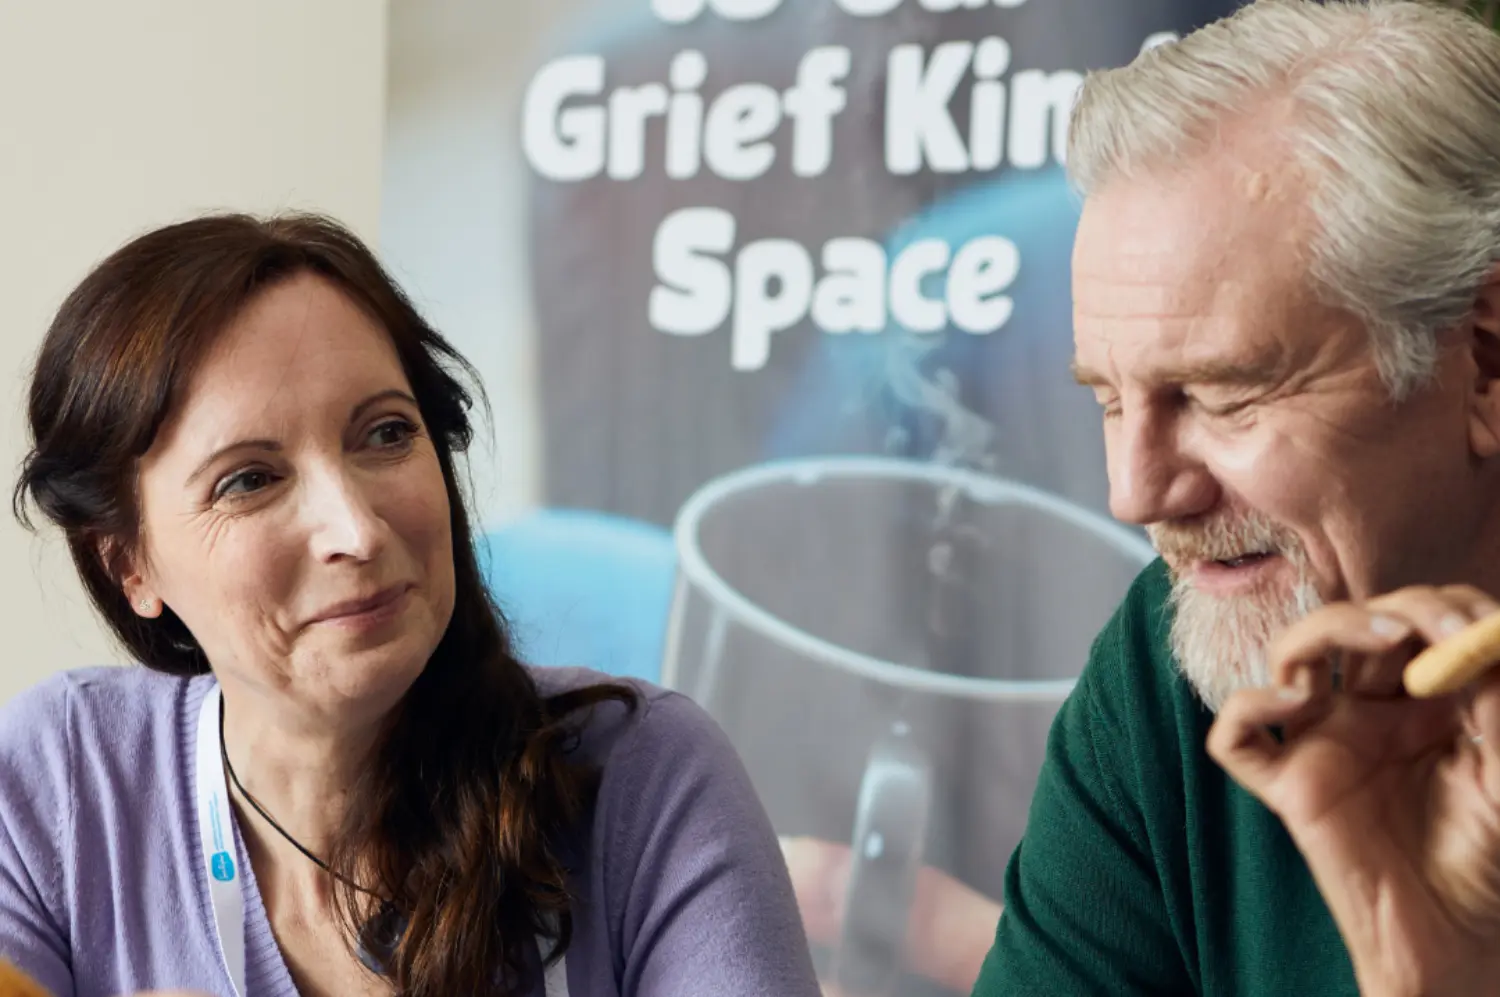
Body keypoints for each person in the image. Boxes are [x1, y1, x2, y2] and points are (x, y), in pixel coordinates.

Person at [0, 213, 823, 997]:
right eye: (249, 479)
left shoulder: (643, 777)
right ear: (129, 566)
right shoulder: (65, 783)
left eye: (387, 434)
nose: (355, 529)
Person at [963, 0, 1500, 994]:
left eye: (1222, 394)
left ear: (1484, 361)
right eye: (1111, 401)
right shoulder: (1178, 654)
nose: (1138, 492)